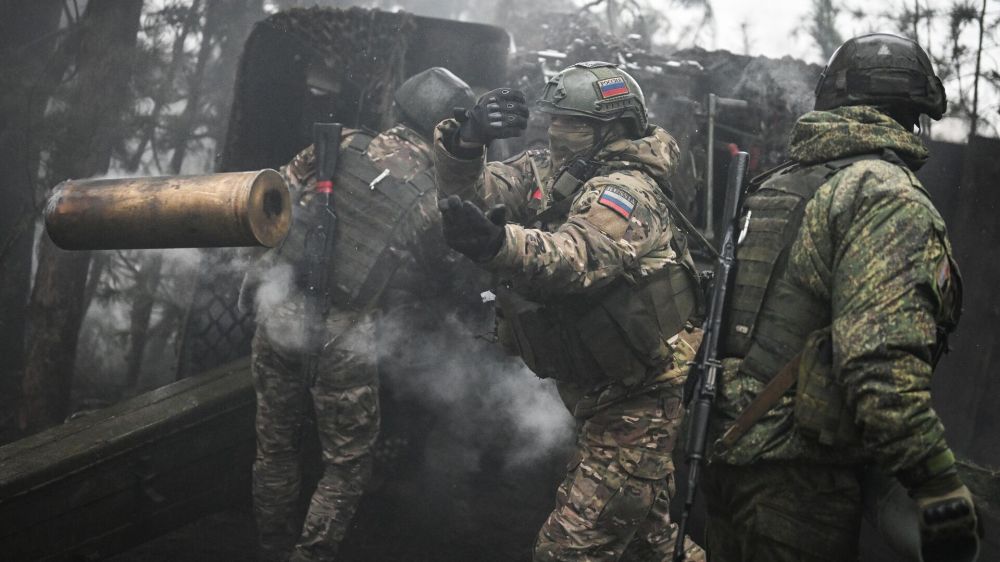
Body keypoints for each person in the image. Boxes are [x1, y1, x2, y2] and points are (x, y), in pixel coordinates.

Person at [700, 33, 980, 562]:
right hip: (801, 483)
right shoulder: (884, 194)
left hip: (729, 461)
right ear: (914, 113)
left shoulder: (779, 183)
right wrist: (936, 484)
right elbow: (879, 364)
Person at [433, 61, 705, 561]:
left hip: (641, 397)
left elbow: (577, 257)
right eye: (554, 119)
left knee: (567, 550)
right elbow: (469, 195)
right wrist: (468, 141)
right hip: (598, 389)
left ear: (612, 129)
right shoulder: (550, 169)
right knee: (654, 544)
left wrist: (500, 243)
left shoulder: (628, 190)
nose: (557, 131)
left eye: (572, 123)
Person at [241, 67, 475, 562]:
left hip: (279, 314)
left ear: (399, 108)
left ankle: (270, 544)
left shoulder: (339, 143)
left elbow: (273, 198)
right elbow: (443, 275)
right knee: (347, 465)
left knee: (275, 447)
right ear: (447, 130)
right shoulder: (431, 198)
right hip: (344, 341)